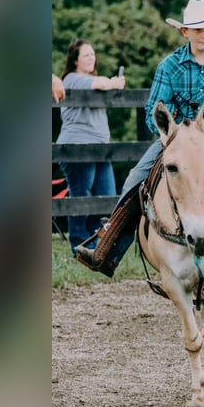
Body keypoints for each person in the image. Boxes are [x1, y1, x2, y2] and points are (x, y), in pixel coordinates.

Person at [75, 0, 204, 276]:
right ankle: (106, 247)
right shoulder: (170, 65)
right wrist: (166, 132)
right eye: (198, 30)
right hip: (178, 140)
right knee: (136, 178)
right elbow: (153, 110)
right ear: (185, 32)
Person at [56, 38, 126, 255]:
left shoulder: (93, 79)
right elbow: (101, 84)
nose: (91, 58)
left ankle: (97, 244)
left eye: (93, 54)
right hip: (77, 145)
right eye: (86, 55)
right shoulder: (72, 79)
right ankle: (79, 244)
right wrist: (115, 82)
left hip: (100, 147)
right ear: (75, 60)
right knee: (81, 195)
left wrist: (111, 83)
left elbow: (101, 84)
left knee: (106, 195)